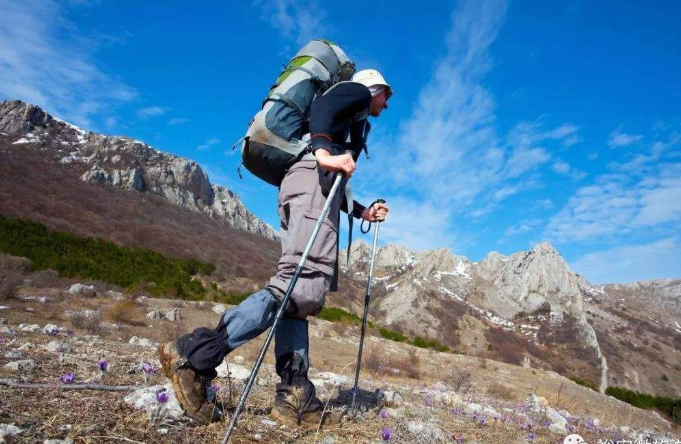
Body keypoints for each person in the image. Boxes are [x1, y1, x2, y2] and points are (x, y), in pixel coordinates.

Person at [158, 69, 391, 426]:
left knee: (301, 297)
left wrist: (361, 211)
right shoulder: (356, 93)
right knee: (299, 284)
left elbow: (333, 182)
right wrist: (323, 151)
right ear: (373, 87)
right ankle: (195, 356)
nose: (386, 104)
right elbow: (323, 110)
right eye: (385, 95)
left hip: (306, 186)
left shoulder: (354, 120)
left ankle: (295, 395)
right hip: (311, 182)